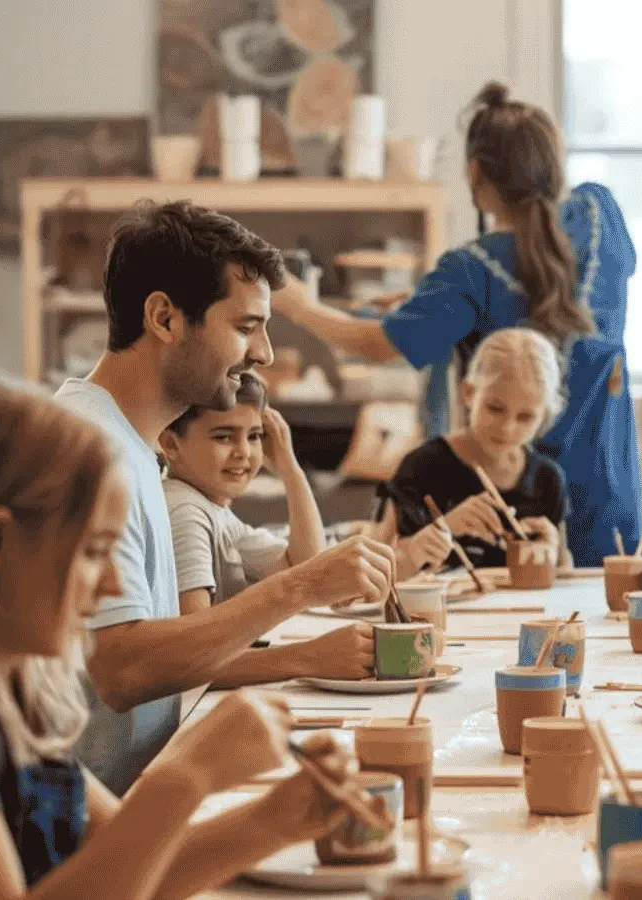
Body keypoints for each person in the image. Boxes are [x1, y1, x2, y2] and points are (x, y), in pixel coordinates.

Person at [0, 382, 373, 900]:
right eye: (95, 551)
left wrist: (277, 818)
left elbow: (133, 873)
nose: (117, 584)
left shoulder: (12, 685)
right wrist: (185, 778)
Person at [57, 200, 396, 793]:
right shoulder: (89, 452)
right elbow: (121, 667)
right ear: (164, 318)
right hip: (87, 830)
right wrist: (303, 586)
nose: (263, 353)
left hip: (134, 793)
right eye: (245, 327)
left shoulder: (131, 443)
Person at [269, 81, 641, 567]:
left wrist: (300, 307)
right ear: (554, 163)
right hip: (612, 494)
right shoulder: (600, 214)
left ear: (475, 173)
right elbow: (555, 303)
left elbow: (380, 344)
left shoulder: (470, 270)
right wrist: (431, 307)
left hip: (516, 501)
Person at [375, 327, 568, 571]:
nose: (507, 428)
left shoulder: (547, 480)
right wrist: (437, 534)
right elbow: (375, 572)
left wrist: (552, 555)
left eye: (526, 417)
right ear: (468, 393)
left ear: (544, 417)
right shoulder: (422, 467)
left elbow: (563, 573)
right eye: (495, 409)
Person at [161, 373, 331, 614]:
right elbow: (194, 637)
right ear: (170, 444)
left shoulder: (212, 508)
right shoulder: (186, 511)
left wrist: (290, 468)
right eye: (223, 437)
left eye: (254, 436)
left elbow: (310, 571)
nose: (243, 451)